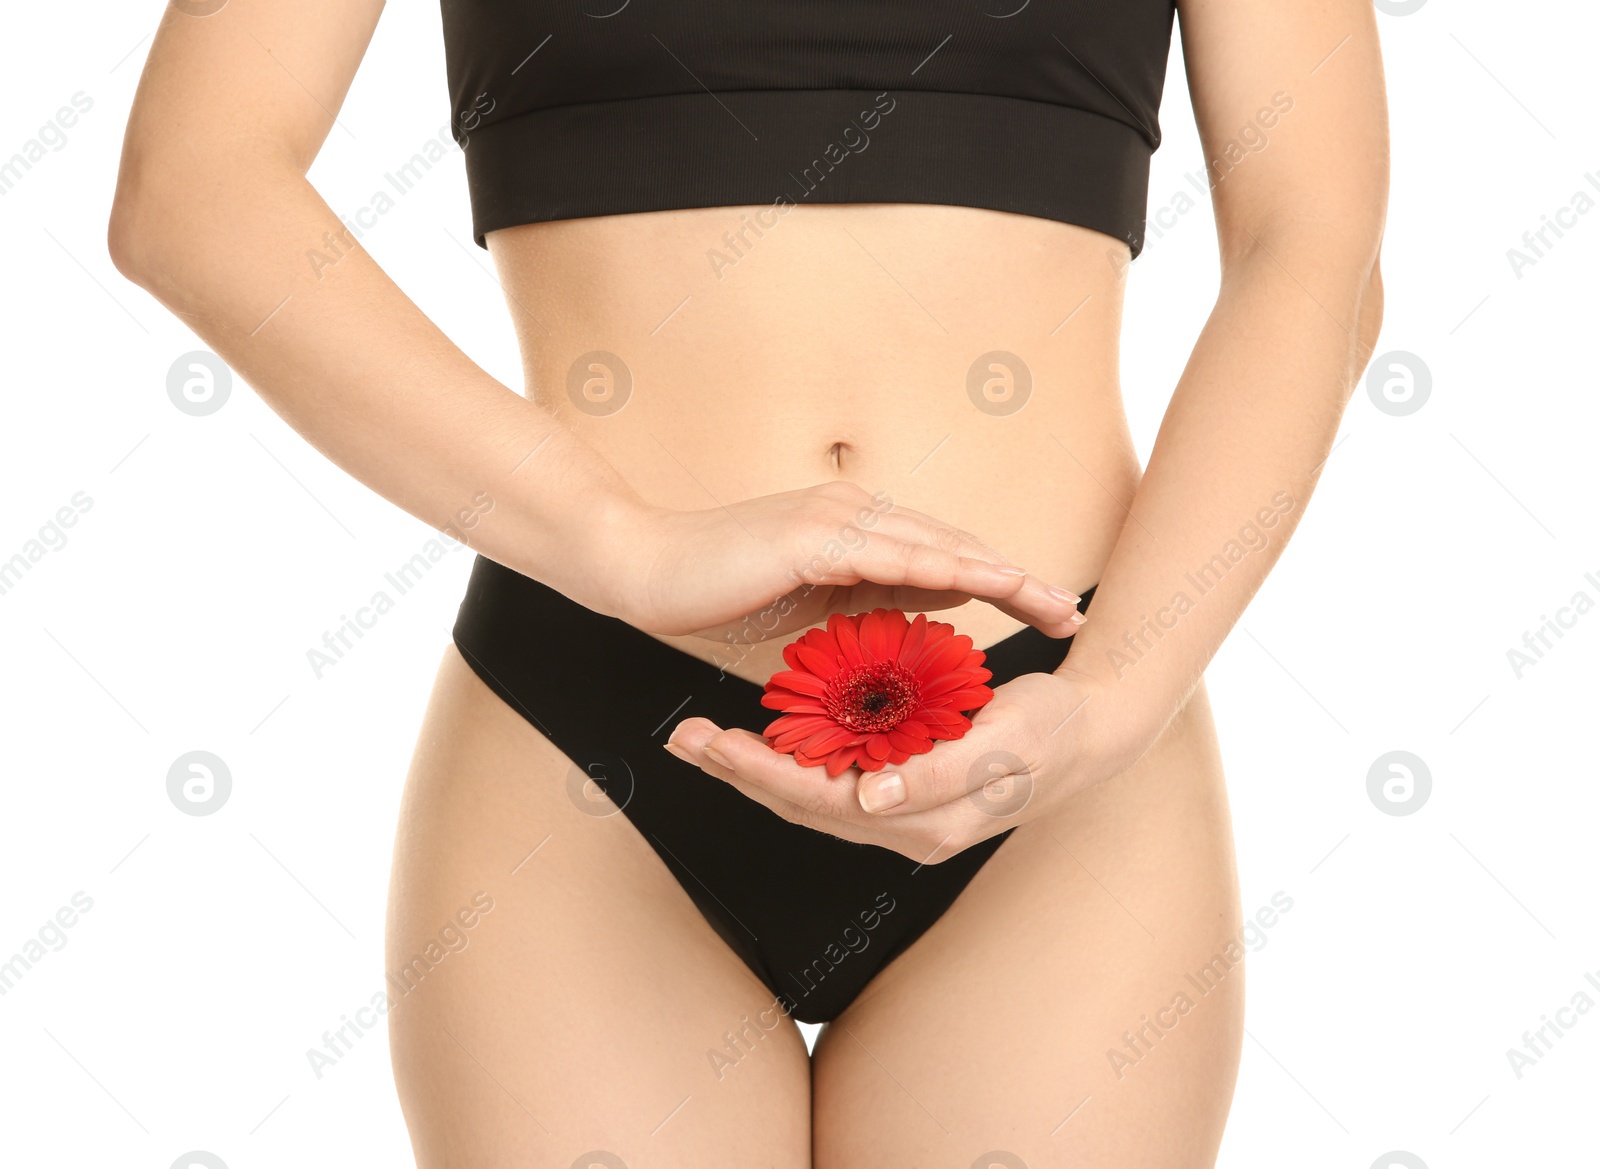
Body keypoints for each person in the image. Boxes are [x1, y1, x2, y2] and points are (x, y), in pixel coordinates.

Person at [109, 0, 1387, 1163]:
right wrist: (621, 540)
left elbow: (1311, 246)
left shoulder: (1096, 710)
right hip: (592, 739)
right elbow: (196, 184)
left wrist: (1116, 693)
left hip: (1064, 734)